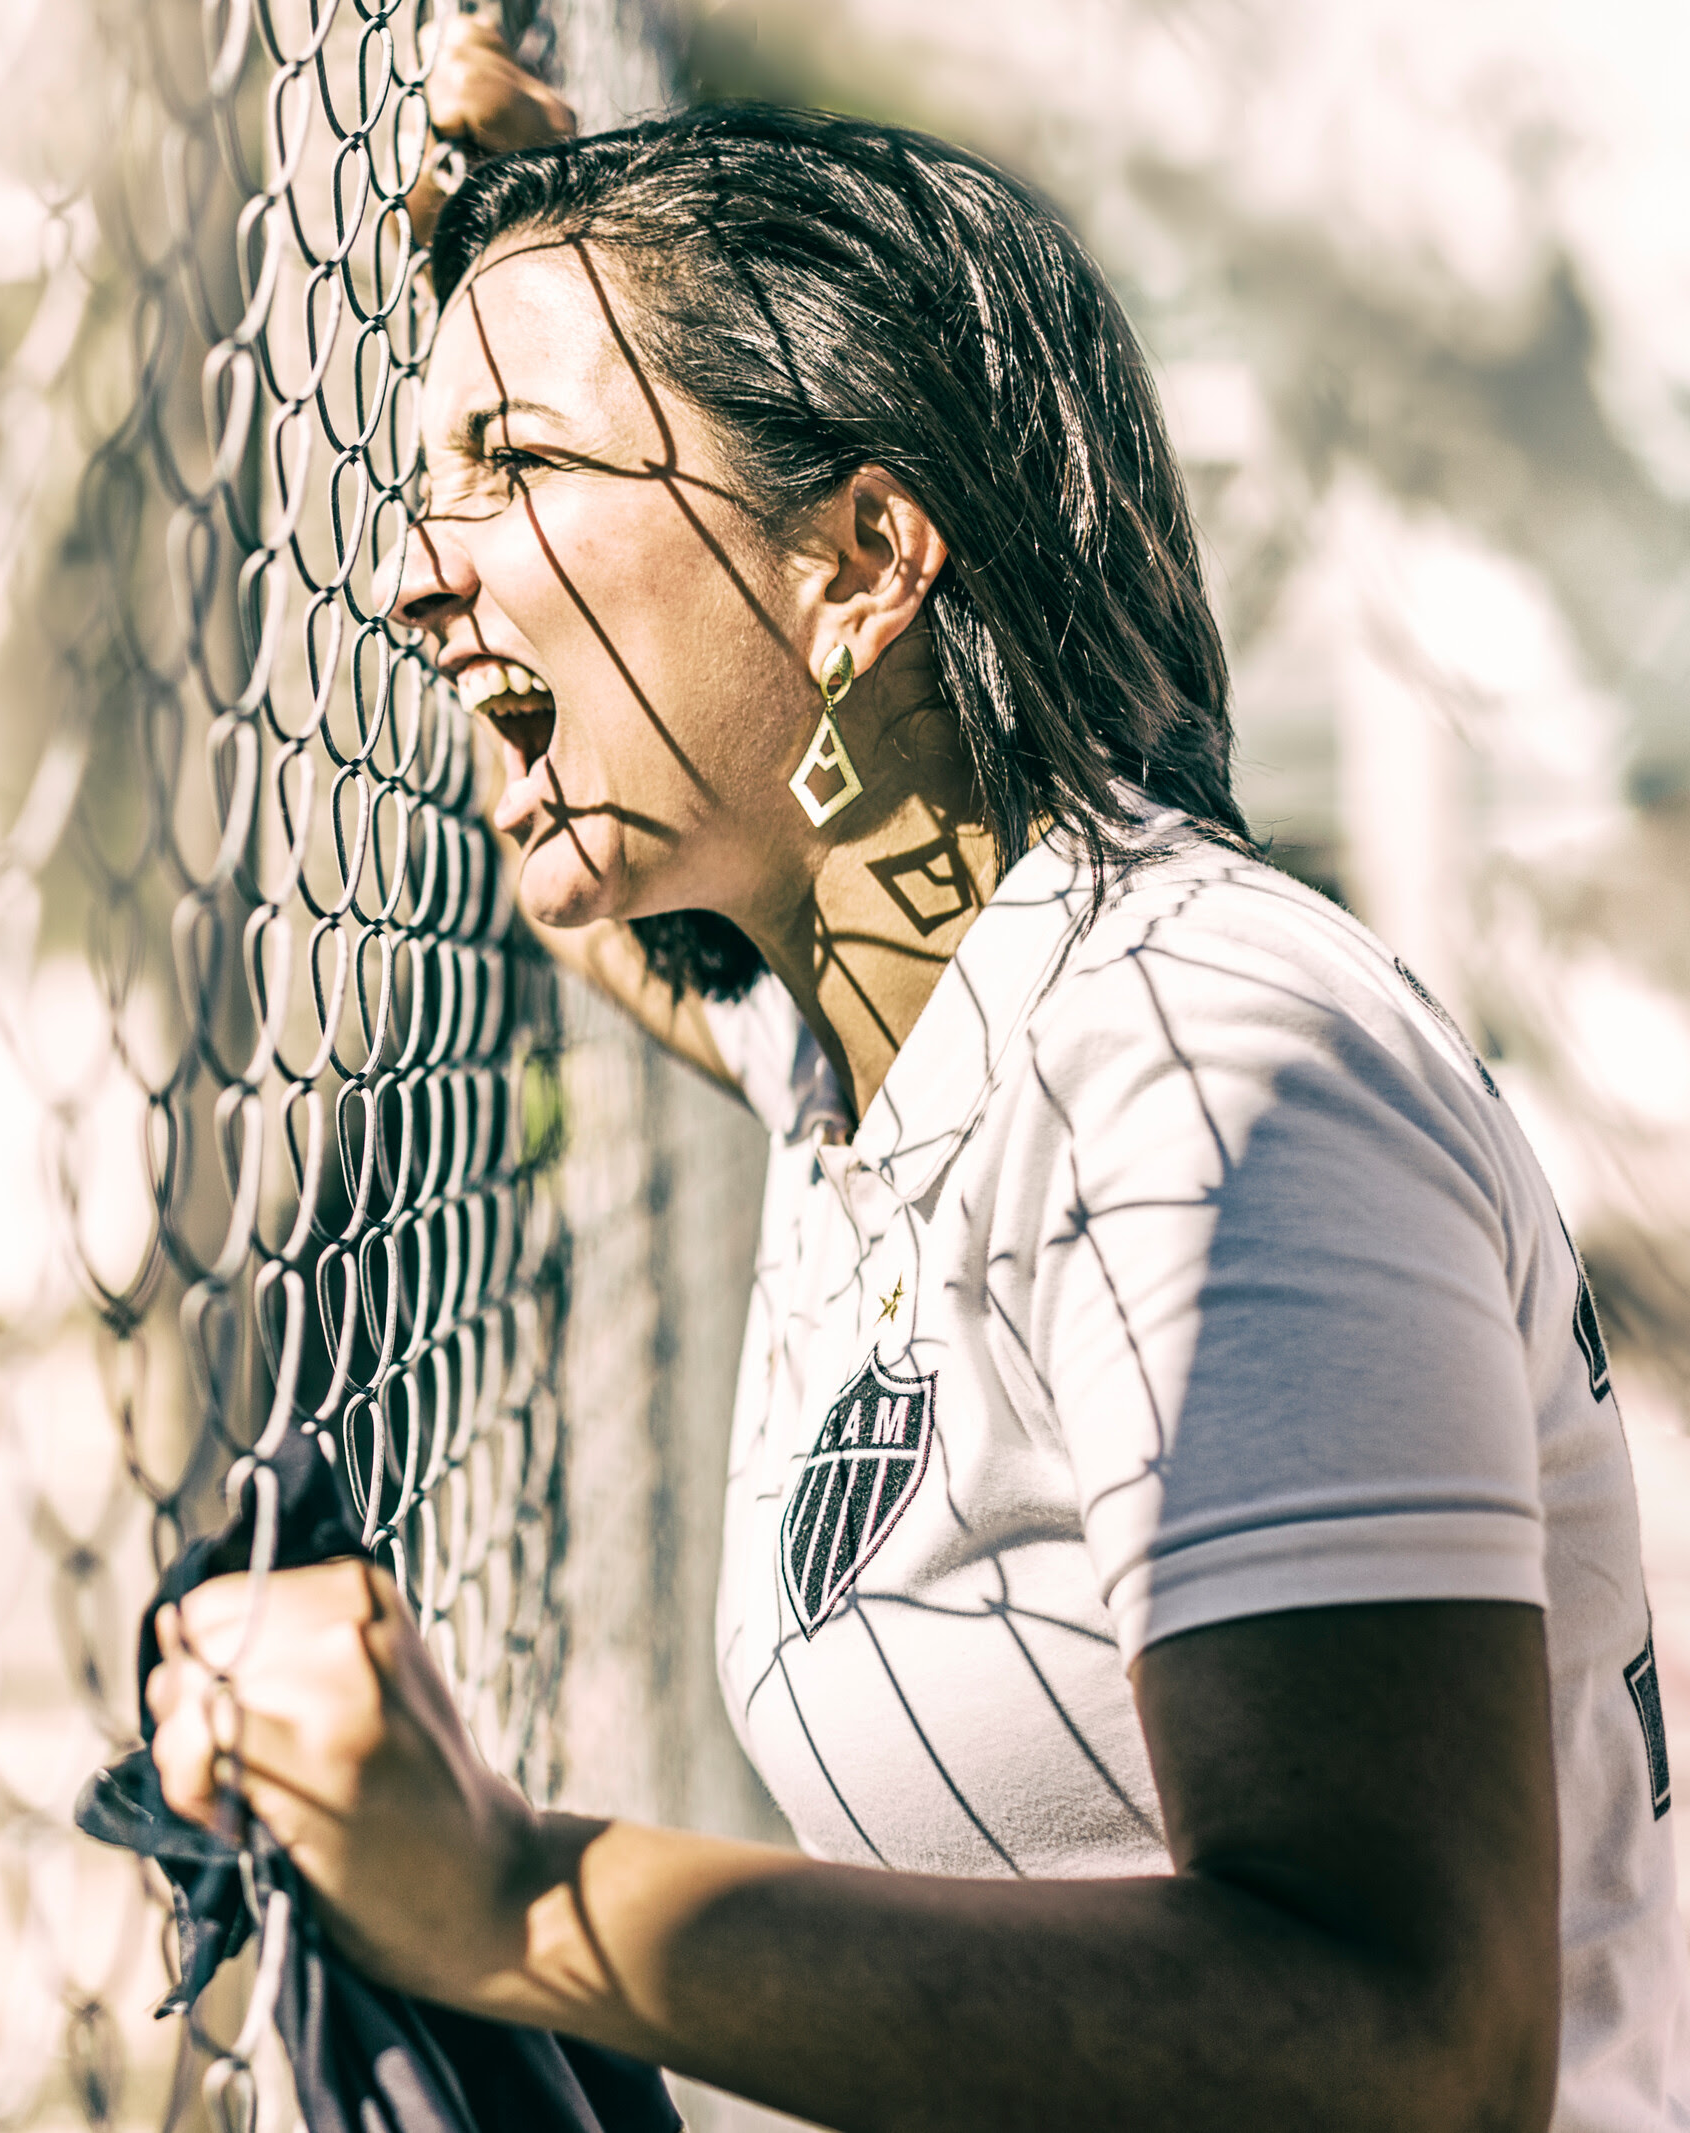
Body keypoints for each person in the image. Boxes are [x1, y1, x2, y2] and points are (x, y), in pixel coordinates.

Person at [140, 94, 1687, 2133]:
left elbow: (1412, 2041)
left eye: (511, 466)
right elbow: (654, 894)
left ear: (861, 563)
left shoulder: (1202, 1076)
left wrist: (519, 1892)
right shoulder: (880, 1039)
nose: (414, 577)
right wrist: (559, 232)